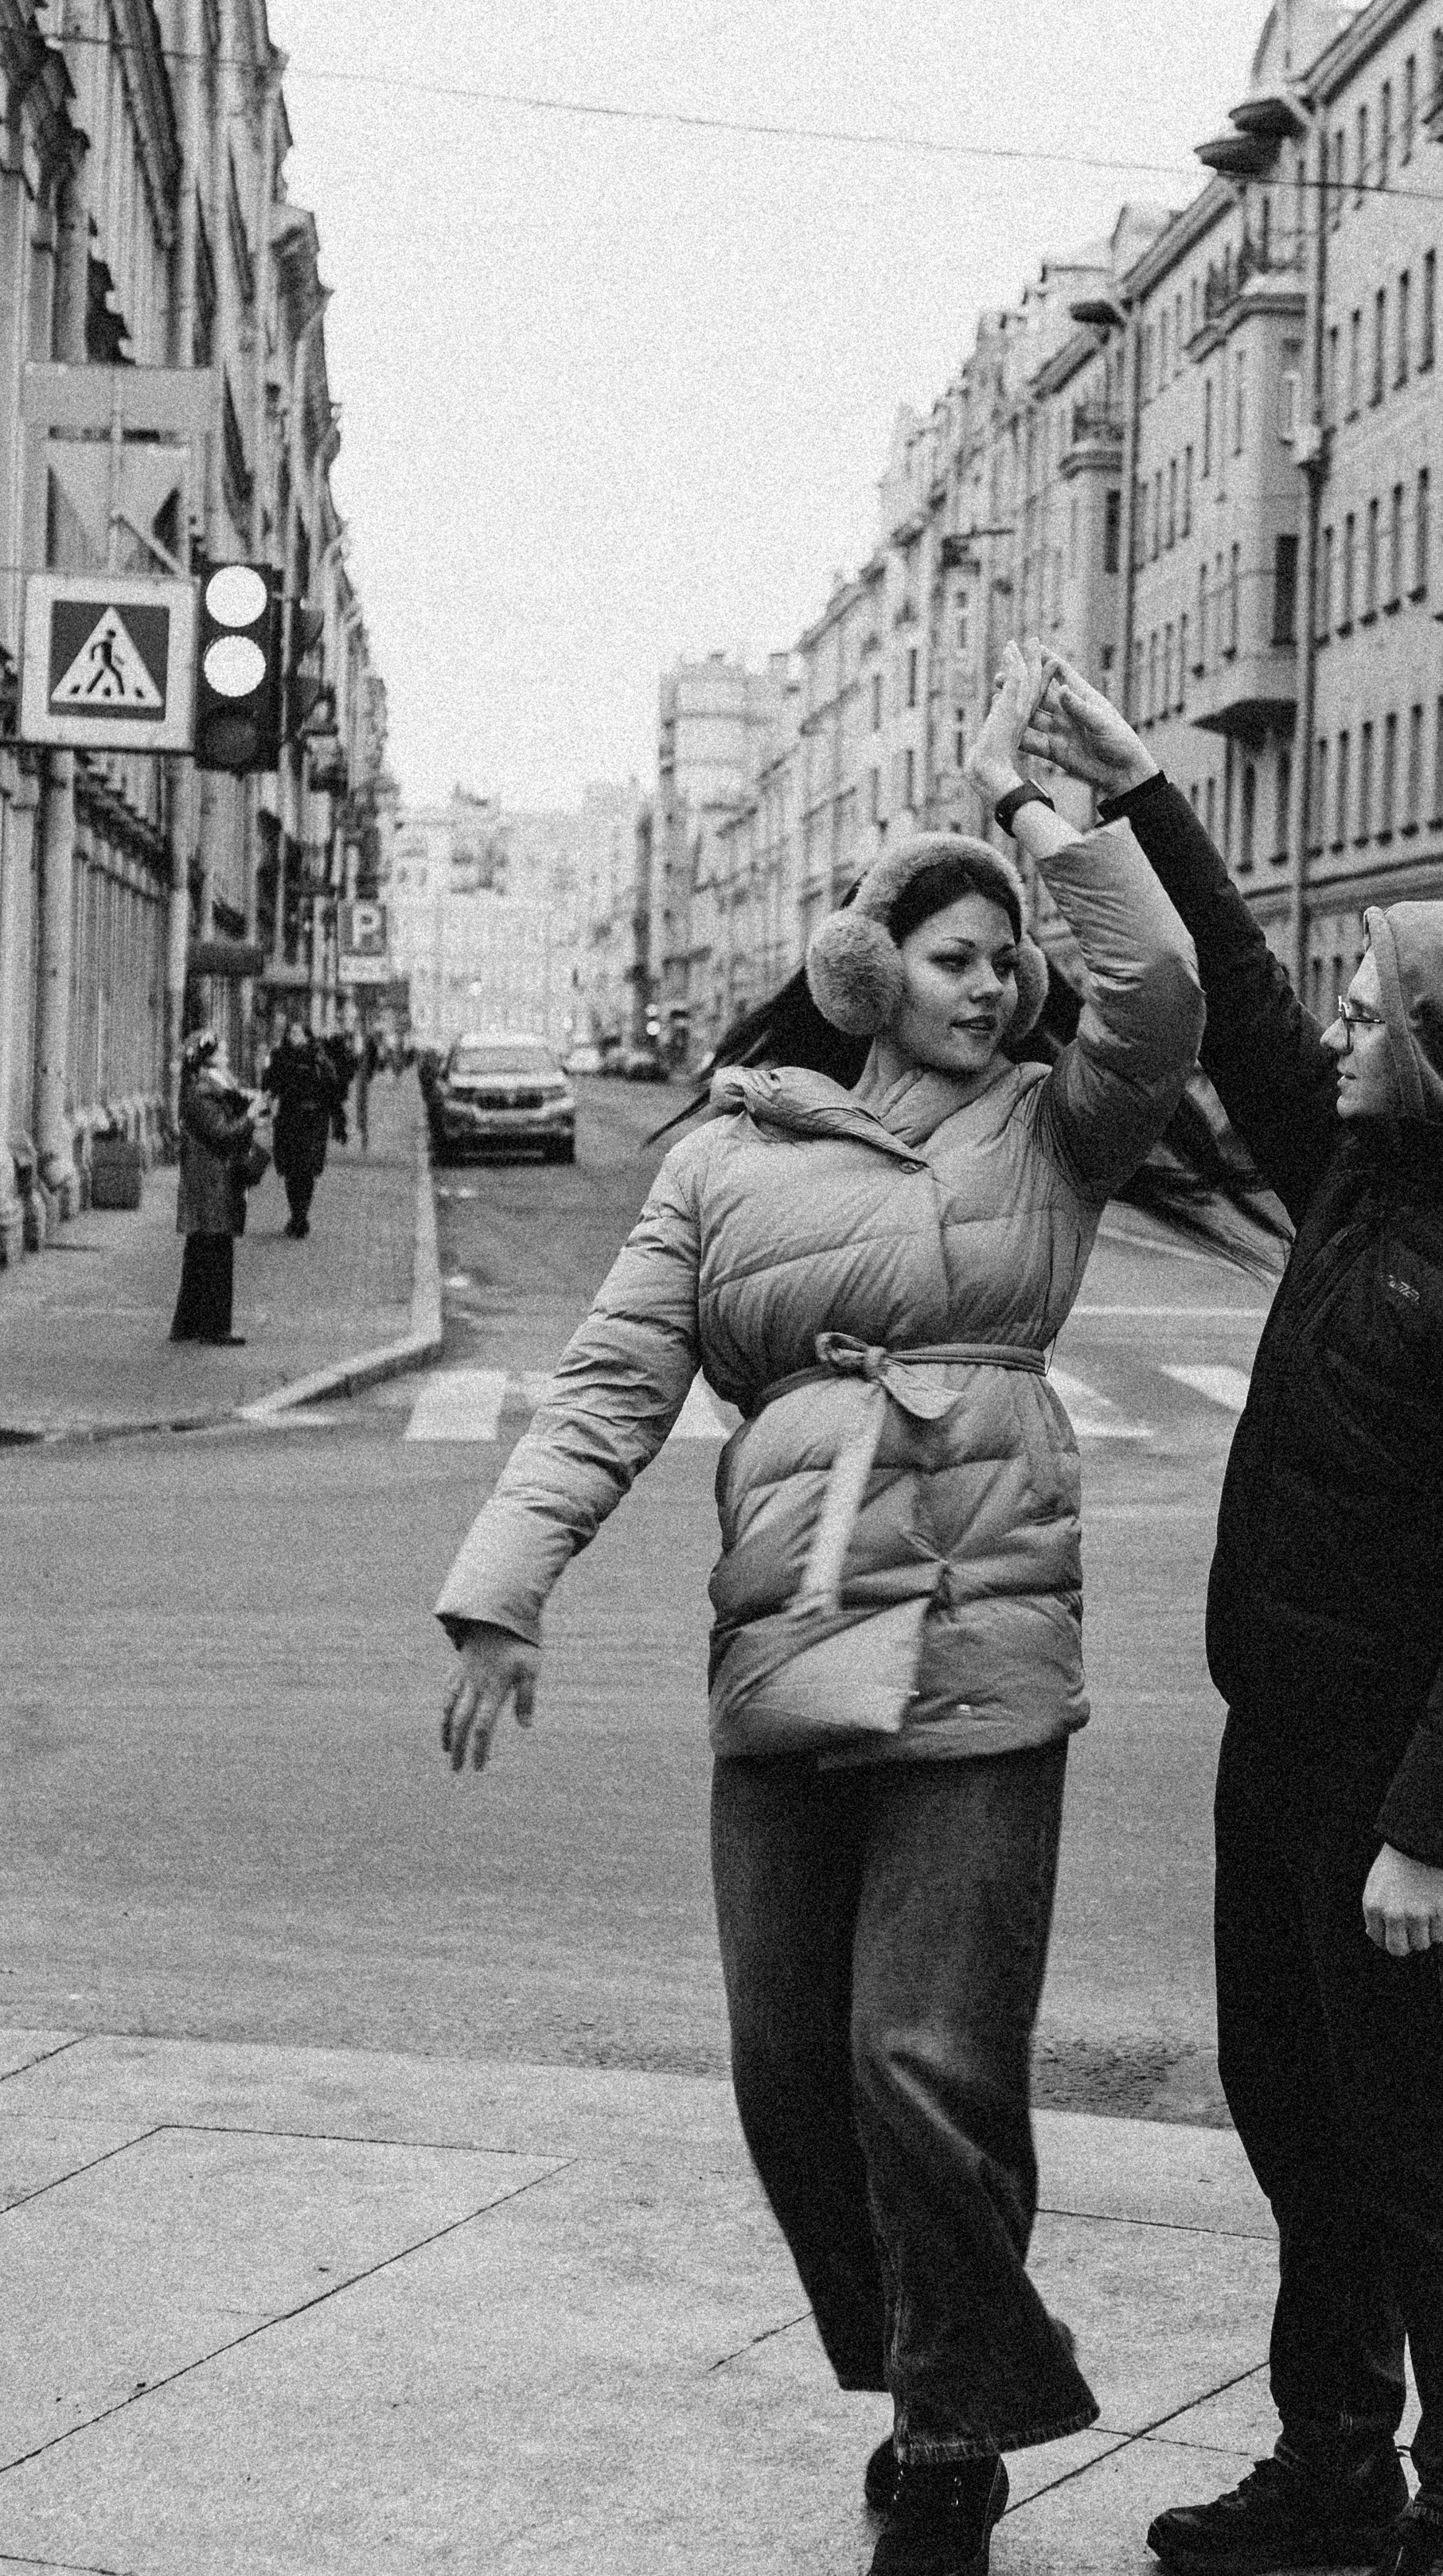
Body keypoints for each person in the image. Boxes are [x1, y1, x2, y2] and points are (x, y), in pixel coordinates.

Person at [434, 644, 1203, 2576]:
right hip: (784, 1624)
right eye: (955, 952)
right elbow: (611, 1382)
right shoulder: (717, 1154)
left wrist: (1044, 822)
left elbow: (1159, 991)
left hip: (979, 1623)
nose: (993, 981)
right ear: (870, 968)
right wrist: (501, 1588)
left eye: (1006, 958)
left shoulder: (1053, 1127)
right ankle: (932, 2351)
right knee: (788, 2064)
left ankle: (953, 2427)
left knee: (921, 2055)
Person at [1024, 657, 1443, 2576]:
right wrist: (1139, 796)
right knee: (1298, 2118)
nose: (1348, 1027)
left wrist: (1430, 1831)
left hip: (1401, 1798)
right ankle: (1330, 2463)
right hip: (1278, 1749)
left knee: (1437, 2158)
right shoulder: (1365, 1174)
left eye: (1381, 1007)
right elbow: (1252, 1006)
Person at [168, 1033, 263, 1345]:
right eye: (222, 1053)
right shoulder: (201, 1094)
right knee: (217, 1256)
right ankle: (214, 1329)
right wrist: (248, 1118)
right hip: (211, 1185)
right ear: (208, 1060)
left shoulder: (213, 1090)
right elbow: (222, 1136)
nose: (227, 1056)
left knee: (199, 1256)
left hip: (211, 1183)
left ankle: (187, 1326)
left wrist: (245, 1106)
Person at [263, 1015, 330, 1238]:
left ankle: (301, 1217)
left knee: (307, 1171)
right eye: (291, 1033)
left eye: (299, 1033)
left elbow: (331, 1086)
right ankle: (296, 1215)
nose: (294, 1037)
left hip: (312, 1121)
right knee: (292, 1171)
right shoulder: (279, 1056)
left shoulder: (318, 1057)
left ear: (307, 1036)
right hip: (289, 1120)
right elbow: (270, 1085)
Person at [323, 1027, 357, 1145]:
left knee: (333, 1109)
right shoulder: (345, 1053)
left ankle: (337, 1132)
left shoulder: (328, 1052)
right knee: (337, 1109)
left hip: (330, 1085)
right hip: (340, 1085)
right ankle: (339, 1132)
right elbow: (352, 1069)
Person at [354, 1026, 381, 1148]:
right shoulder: (368, 1044)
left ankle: (362, 1125)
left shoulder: (368, 1045)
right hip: (364, 1073)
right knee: (361, 1100)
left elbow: (371, 1059)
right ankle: (362, 1125)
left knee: (362, 1100)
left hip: (364, 1073)